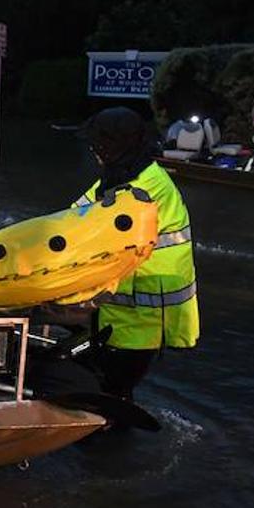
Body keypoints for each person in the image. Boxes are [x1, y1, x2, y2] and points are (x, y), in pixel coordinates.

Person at [73, 107, 199, 401]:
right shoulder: (128, 172)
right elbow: (73, 216)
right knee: (109, 386)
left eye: (99, 144)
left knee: (111, 391)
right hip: (126, 308)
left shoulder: (140, 188)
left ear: (114, 145)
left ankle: (106, 431)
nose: (94, 151)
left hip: (142, 312)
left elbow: (85, 229)